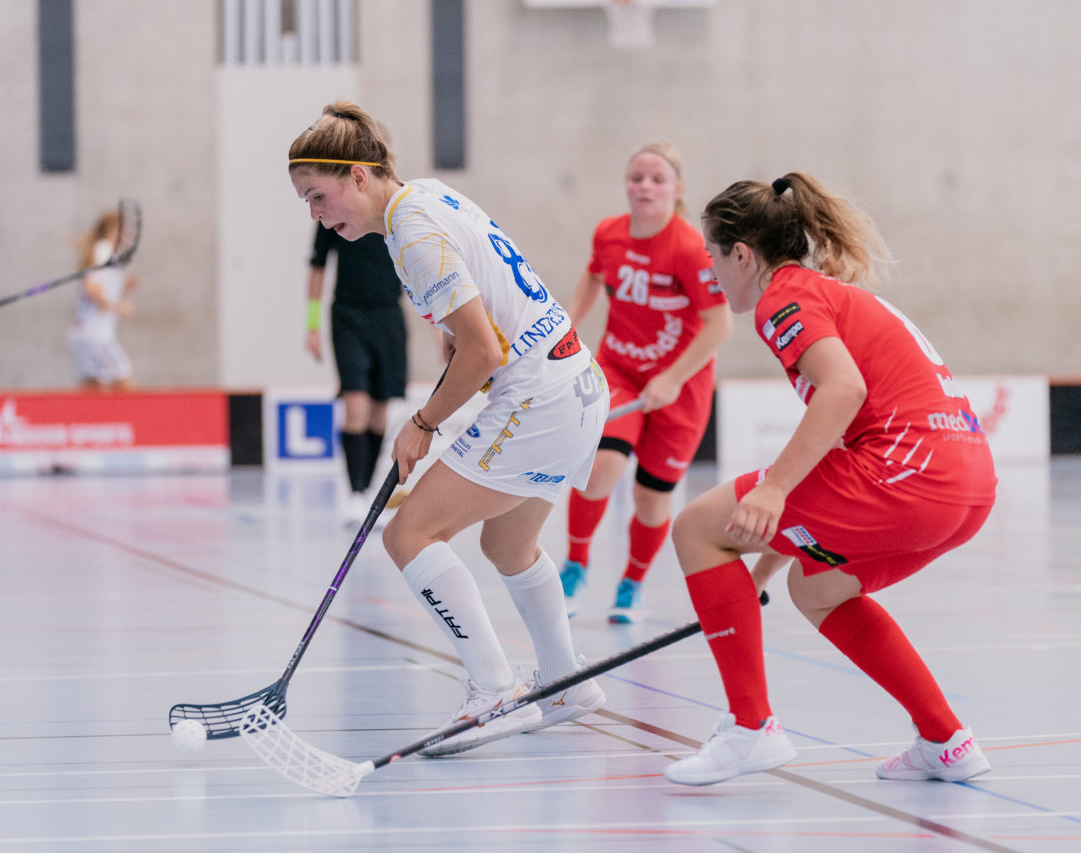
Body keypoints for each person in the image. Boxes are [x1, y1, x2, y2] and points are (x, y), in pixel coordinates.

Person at [288, 101, 609, 756]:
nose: (317, 216)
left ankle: (492, 691)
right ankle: (567, 681)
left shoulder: (413, 233)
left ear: (356, 175)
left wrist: (423, 422)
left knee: (410, 532)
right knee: (509, 547)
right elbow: (479, 322)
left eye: (319, 198)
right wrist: (452, 335)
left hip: (538, 397)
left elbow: (485, 354)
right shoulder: (427, 197)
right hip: (578, 385)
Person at [662, 172, 996, 787]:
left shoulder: (782, 299)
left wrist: (773, 489)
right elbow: (853, 418)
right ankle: (945, 739)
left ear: (742, 254)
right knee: (816, 588)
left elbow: (844, 391)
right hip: (965, 484)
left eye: (713, 255)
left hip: (906, 472)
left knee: (695, 530)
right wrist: (761, 557)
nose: (711, 272)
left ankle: (750, 727)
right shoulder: (823, 291)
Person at [559, 143, 732, 623]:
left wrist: (673, 378)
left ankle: (631, 584)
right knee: (599, 470)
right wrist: (569, 322)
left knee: (652, 498)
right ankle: (574, 565)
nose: (645, 187)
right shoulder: (609, 233)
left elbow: (719, 325)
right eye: (637, 177)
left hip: (681, 388)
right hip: (619, 371)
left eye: (657, 179)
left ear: (677, 189)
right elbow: (592, 276)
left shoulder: (690, 248)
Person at [305, 210, 408, 527]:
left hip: (389, 317)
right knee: (356, 407)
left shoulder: (396, 215)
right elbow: (318, 265)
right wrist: (311, 326)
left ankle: (367, 490)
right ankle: (355, 493)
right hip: (348, 317)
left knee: (379, 412)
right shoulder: (334, 212)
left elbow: (418, 268)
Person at [69, 209, 137, 392]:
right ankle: (135, 420)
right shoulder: (103, 251)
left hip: (84, 332)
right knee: (124, 379)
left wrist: (123, 289)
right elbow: (90, 290)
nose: (127, 235)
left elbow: (101, 289)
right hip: (96, 334)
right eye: (123, 230)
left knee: (91, 386)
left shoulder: (104, 253)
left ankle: (80, 421)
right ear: (112, 230)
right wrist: (117, 306)